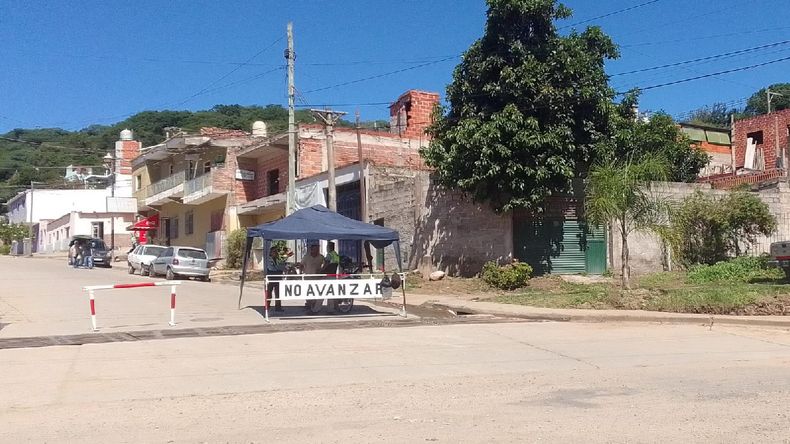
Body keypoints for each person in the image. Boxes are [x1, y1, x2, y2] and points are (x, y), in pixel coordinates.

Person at [266, 246, 287, 312]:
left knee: (278, 293)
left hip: (278, 277)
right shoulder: (269, 260)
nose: (276, 253)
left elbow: (281, 265)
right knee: (269, 293)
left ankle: (278, 307)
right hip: (271, 278)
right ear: (271, 253)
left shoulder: (277, 259)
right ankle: (267, 306)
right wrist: (280, 268)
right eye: (274, 251)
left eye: (276, 251)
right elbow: (273, 268)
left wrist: (282, 266)